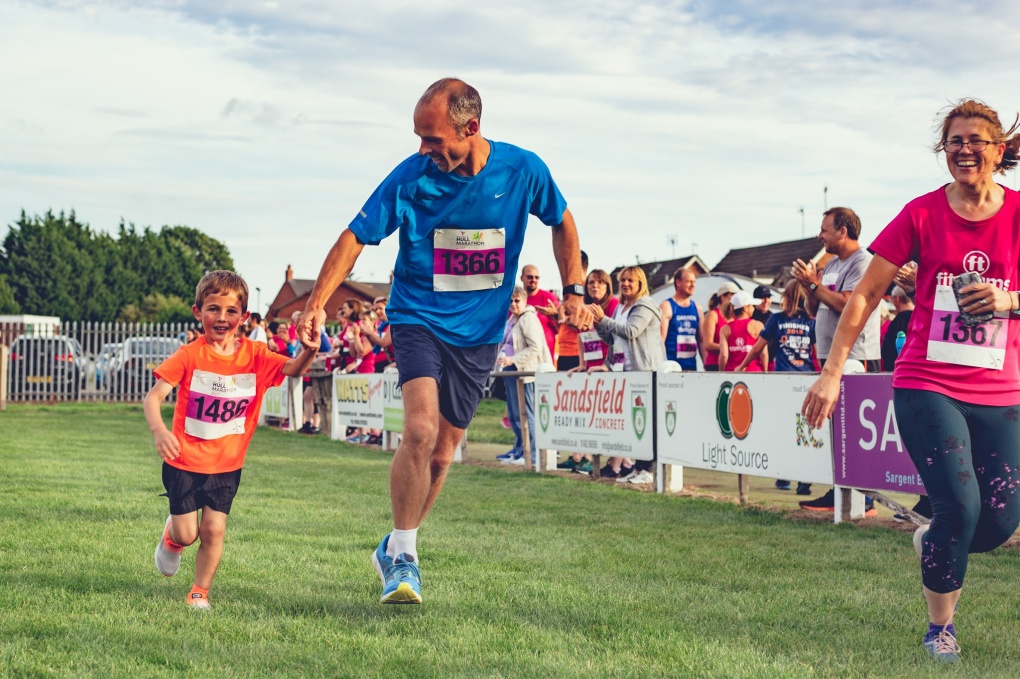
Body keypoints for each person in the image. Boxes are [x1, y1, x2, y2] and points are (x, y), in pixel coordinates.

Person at [297, 78, 590, 604]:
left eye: (433, 139)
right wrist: (316, 302)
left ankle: (393, 543)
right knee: (420, 429)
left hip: (479, 333)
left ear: (470, 128)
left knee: (444, 454)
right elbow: (354, 236)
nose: (423, 150)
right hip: (417, 318)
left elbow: (563, 221)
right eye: (419, 137)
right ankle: (405, 558)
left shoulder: (522, 170)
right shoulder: (411, 178)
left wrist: (573, 289)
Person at [801, 99, 1020, 662]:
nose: (965, 149)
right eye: (954, 141)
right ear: (943, 152)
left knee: (999, 521)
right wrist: (831, 374)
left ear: (999, 150)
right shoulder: (921, 213)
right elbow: (866, 295)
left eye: (976, 140)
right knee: (959, 506)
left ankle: (932, 540)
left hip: (1002, 389)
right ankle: (940, 627)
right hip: (927, 383)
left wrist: (1008, 300)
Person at [144, 271, 318, 609]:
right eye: (213, 309)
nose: (221, 318)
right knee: (187, 534)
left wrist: (309, 350)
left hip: (227, 465)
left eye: (230, 311)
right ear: (198, 312)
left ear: (244, 317)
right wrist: (159, 431)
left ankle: (199, 593)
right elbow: (153, 398)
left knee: (214, 530)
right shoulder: (189, 355)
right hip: (183, 461)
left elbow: (295, 369)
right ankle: (172, 538)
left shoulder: (256, 356)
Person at [791, 207, 881, 509]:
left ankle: (863, 498)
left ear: (843, 231)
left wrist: (815, 286)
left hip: (856, 357)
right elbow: (814, 309)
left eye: (825, 230)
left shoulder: (863, 261)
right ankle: (841, 490)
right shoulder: (831, 264)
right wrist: (808, 287)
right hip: (830, 357)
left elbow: (846, 305)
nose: (820, 236)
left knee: (855, 430)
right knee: (837, 429)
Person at [735, 280, 817, 490]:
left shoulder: (777, 319)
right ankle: (805, 477)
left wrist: (741, 367)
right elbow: (816, 353)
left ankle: (785, 475)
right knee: (802, 431)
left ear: (786, 296)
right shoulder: (811, 321)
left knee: (785, 430)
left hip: (783, 380)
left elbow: (756, 348)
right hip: (806, 379)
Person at [588, 266, 664, 483]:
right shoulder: (620, 307)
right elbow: (613, 339)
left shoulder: (645, 305)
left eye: (631, 280)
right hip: (625, 372)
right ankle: (637, 469)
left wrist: (603, 319)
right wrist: (598, 323)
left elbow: (631, 331)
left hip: (645, 372)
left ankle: (649, 471)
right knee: (634, 423)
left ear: (640, 283)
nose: (626, 284)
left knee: (647, 423)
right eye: (623, 280)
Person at [559, 268, 619, 475]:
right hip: (591, 366)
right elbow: (580, 334)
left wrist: (608, 364)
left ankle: (615, 462)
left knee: (607, 418)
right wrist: (583, 363)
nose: (595, 286)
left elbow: (616, 336)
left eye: (600, 283)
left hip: (606, 366)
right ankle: (588, 458)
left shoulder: (613, 305)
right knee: (591, 415)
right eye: (591, 282)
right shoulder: (584, 305)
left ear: (608, 286)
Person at [495, 287, 554, 466]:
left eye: (517, 301)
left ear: (524, 301)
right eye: (511, 301)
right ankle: (520, 449)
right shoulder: (513, 319)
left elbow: (534, 347)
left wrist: (513, 359)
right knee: (514, 415)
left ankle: (533, 455)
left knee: (527, 414)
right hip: (511, 371)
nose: (513, 304)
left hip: (526, 373)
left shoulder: (528, 318)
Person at [659, 266, 703, 371]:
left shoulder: (697, 307)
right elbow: (660, 340)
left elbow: (701, 341)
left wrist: (706, 365)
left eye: (694, 282)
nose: (692, 285)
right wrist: (664, 365)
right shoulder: (667, 306)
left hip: (691, 367)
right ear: (678, 282)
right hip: (671, 368)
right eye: (689, 281)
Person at [554, 251, 588, 372]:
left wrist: (555, 314)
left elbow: (585, 324)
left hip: (577, 353)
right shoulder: (570, 290)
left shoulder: (587, 289)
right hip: (563, 350)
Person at [719, 290, 767, 372]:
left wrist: (721, 373)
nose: (753, 308)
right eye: (751, 306)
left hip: (732, 373)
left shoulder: (725, 329)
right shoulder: (758, 325)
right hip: (754, 372)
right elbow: (764, 354)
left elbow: (724, 355)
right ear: (745, 308)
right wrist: (765, 372)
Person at [521, 264, 560, 357]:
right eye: (530, 277)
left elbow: (560, 328)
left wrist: (554, 315)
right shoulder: (516, 300)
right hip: (522, 354)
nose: (533, 280)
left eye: (536, 277)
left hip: (544, 354)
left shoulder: (548, 298)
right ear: (522, 278)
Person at [702, 283, 737, 371]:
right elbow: (708, 344)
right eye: (733, 295)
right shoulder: (713, 315)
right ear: (723, 296)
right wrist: (729, 348)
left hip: (731, 364)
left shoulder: (736, 316)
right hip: (714, 365)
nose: (736, 298)